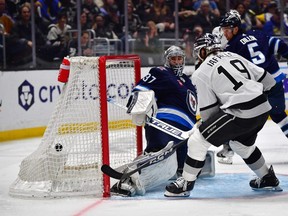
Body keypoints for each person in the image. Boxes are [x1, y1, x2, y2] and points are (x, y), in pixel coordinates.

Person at [164, 33, 281, 197]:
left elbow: (209, 113)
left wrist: (208, 129)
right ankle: (267, 178)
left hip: (241, 113)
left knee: (197, 140)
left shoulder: (201, 72)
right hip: (262, 108)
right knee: (241, 145)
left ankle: (185, 183)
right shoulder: (234, 55)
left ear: (203, 51)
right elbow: (269, 81)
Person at [110, 45, 199, 196]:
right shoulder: (161, 72)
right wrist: (139, 106)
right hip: (165, 125)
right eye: (173, 59)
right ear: (167, 60)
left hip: (184, 133)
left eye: (179, 58)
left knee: (182, 168)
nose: (177, 62)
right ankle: (125, 182)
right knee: (156, 155)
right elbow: (140, 89)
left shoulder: (187, 80)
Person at [215, 10, 288, 164]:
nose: (224, 33)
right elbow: (279, 45)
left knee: (237, 117)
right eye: (223, 29)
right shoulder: (258, 35)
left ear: (235, 29)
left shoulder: (232, 47)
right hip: (274, 84)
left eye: (227, 29)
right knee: (279, 115)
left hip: (256, 90)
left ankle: (228, 151)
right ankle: (230, 148)